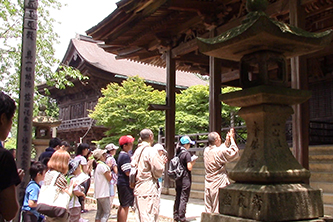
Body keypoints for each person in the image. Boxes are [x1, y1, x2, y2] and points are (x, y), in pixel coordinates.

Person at [131, 129, 167, 222]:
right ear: (151, 136)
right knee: (148, 215)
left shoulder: (137, 150)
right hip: (148, 187)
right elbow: (158, 169)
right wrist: (162, 163)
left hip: (138, 186)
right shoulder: (151, 150)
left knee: (140, 216)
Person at [203, 129, 240, 213]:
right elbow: (234, 151)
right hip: (218, 181)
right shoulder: (219, 151)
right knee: (218, 207)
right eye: (219, 138)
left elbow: (220, 150)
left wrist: (227, 141)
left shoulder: (206, 150)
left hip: (208, 182)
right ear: (216, 140)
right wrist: (231, 139)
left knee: (208, 208)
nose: (220, 139)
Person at [0, 91, 23, 221]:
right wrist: (12, 183)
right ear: (3, 119)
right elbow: (9, 211)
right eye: (11, 119)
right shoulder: (4, 157)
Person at [44, 149, 74, 222]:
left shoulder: (48, 174)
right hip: (58, 212)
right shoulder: (59, 177)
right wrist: (72, 185)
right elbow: (67, 194)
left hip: (48, 210)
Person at [173, 135, 197, 222]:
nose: (190, 146)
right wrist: (193, 161)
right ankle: (182, 217)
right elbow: (189, 167)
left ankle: (176, 215)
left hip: (178, 177)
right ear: (186, 144)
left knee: (178, 196)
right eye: (189, 144)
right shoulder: (186, 154)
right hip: (185, 177)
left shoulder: (178, 153)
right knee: (184, 197)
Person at [116, 135, 135, 222]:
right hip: (124, 183)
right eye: (130, 144)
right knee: (125, 206)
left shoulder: (123, 155)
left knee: (123, 204)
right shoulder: (125, 156)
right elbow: (127, 172)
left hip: (121, 183)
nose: (132, 145)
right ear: (125, 146)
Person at [92, 149, 112, 222]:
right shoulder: (102, 166)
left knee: (99, 212)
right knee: (106, 213)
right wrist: (109, 168)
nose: (105, 156)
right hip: (104, 193)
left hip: (98, 193)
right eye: (104, 155)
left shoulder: (97, 166)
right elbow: (109, 178)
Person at [74, 143, 91, 213]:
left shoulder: (76, 158)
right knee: (83, 193)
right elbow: (85, 170)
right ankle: (82, 207)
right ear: (83, 150)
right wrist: (89, 164)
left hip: (76, 178)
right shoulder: (83, 159)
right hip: (83, 179)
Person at [105, 143, 118, 215]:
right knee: (111, 196)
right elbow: (115, 170)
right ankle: (108, 212)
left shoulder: (105, 158)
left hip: (107, 178)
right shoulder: (111, 159)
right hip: (112, 179)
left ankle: (107, 211)